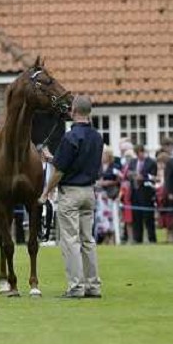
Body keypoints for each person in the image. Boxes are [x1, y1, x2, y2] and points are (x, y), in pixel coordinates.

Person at [39, 94, 103, 298]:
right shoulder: (97, 137)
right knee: (88, 240)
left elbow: (59, 171)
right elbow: (77, 161)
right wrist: (52, 158)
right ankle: (93, 285)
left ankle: (76, 287)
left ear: (73, 111)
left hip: (71, 193)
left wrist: (45, 192)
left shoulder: (70, 136)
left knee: (70, 241)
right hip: (89, 192)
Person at [128, 144, 158, 243]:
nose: (141, 154)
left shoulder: (151, 162)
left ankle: (152, 239)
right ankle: (138, 239)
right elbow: (128, 174)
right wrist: (130, 175)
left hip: (146, 193)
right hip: (135, 193)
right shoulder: (132, 162)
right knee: (137, 218)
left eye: (142, 152)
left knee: (149, 218)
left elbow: (153, 177)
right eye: (139, 153)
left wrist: (143, 178)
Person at [94, 146, 120, 244]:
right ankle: (104, 237)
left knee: (111, 218)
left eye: (103, 154)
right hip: (99, 196)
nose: (101, 156)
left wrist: (108, 182)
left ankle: (112, 237)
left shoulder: (115, 166)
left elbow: (118, 180)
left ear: (108, 156)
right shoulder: (98, 166)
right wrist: (98, 182)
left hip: (110, 196)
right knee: (101, 218)